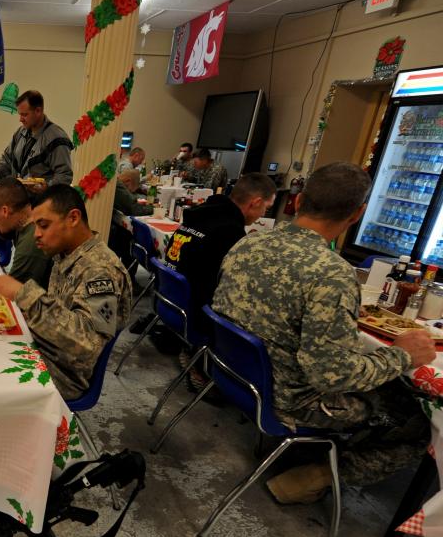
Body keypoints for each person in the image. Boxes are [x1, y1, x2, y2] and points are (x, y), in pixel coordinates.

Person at [211, 162, 436, 503]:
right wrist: (403, 355)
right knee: (415, 422)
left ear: (299, 201)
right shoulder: (332, 273)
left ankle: (317, 457)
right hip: (289, 400)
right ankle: (316, 475)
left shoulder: (248, 244)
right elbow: (334, 376)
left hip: (237, 374)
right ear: (357, 214)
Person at [0, 184, 131, 400]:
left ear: (73, 218)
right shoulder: (66, 253)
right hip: (47, 347)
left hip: (65, 374)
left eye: (44, 225)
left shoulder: (101, 272)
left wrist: (24, 293)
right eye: (35, 226)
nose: (36, 235)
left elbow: (87, 346)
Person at [164, 173, 276, 322]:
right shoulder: (230, 232)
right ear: (256, 202)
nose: (263, 214)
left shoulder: (200, 214)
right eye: (266, 208)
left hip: (168, 299)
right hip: (195, 315)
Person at [0, 90, 73, 192]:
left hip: (41, 202)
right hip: (18, 196)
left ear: (38, 111)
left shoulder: (57, 139)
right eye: (19, 114)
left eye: (24, 115)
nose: (20, 119)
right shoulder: (21, 132)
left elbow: (64, 175)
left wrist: (47, 187)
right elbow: (7, 160)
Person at [0, 177, 52, 288]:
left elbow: (10, 291)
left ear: (5, 210)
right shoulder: (28, 219)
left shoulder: (32, 241)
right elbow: (12, 233)